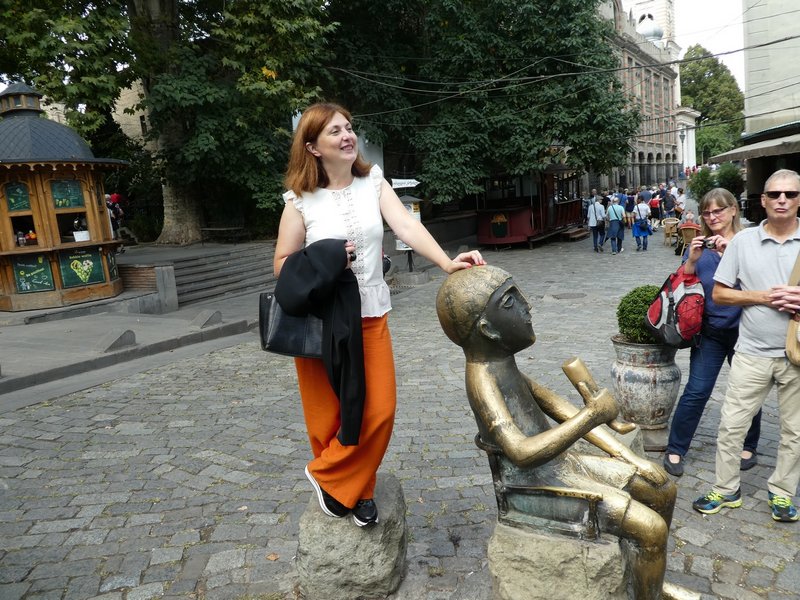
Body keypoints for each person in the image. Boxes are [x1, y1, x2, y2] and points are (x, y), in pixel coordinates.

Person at [273, 102, 485, 527]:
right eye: (335, 131)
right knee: (327, 413)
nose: (347, 136)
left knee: (378, 409)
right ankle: (358, 490)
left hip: (370, 314)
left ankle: (328, 477)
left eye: (349, 128)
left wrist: (446, 262)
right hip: (321, 319)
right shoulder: (299, 201)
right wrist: (327, 258)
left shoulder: (372, 182)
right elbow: (282, 264)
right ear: (313, 147)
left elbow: (406, 226)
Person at [435, 265, 691, 600]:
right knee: (651, 529)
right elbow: (521, 452)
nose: (528, 306)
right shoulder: (482, 379)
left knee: (662, 489)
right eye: (511, 302)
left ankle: (651, 583)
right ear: (487, 329)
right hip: (527, 487)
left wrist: (629, 457)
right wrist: (591, 416)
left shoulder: (504, 365)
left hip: (559, 465)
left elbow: (560, 408)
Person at [693, 169, 800, 523]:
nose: (782, 200)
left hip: (796, 354)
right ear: (763, 200)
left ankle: (782, 492)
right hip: (752, 352)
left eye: (790, 194)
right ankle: (726, 489)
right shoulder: (743, 242)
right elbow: (721, 294)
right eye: (775, 194)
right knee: (731, 425)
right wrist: (764, 297)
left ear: (799, 199)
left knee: (794, 431)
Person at [663, 188, 761, 477]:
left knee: (748, 392)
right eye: (707, 212)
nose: (712, 217)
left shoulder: (749, 242)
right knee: (697, 390)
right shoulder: (699, 247)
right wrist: (692, 260)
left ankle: (749, 445)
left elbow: (761, 282)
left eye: (718, 210)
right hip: (710, 332)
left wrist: (731, 252)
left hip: (746, 331)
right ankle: (675, 448)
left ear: (733, 210)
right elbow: (681, 286)